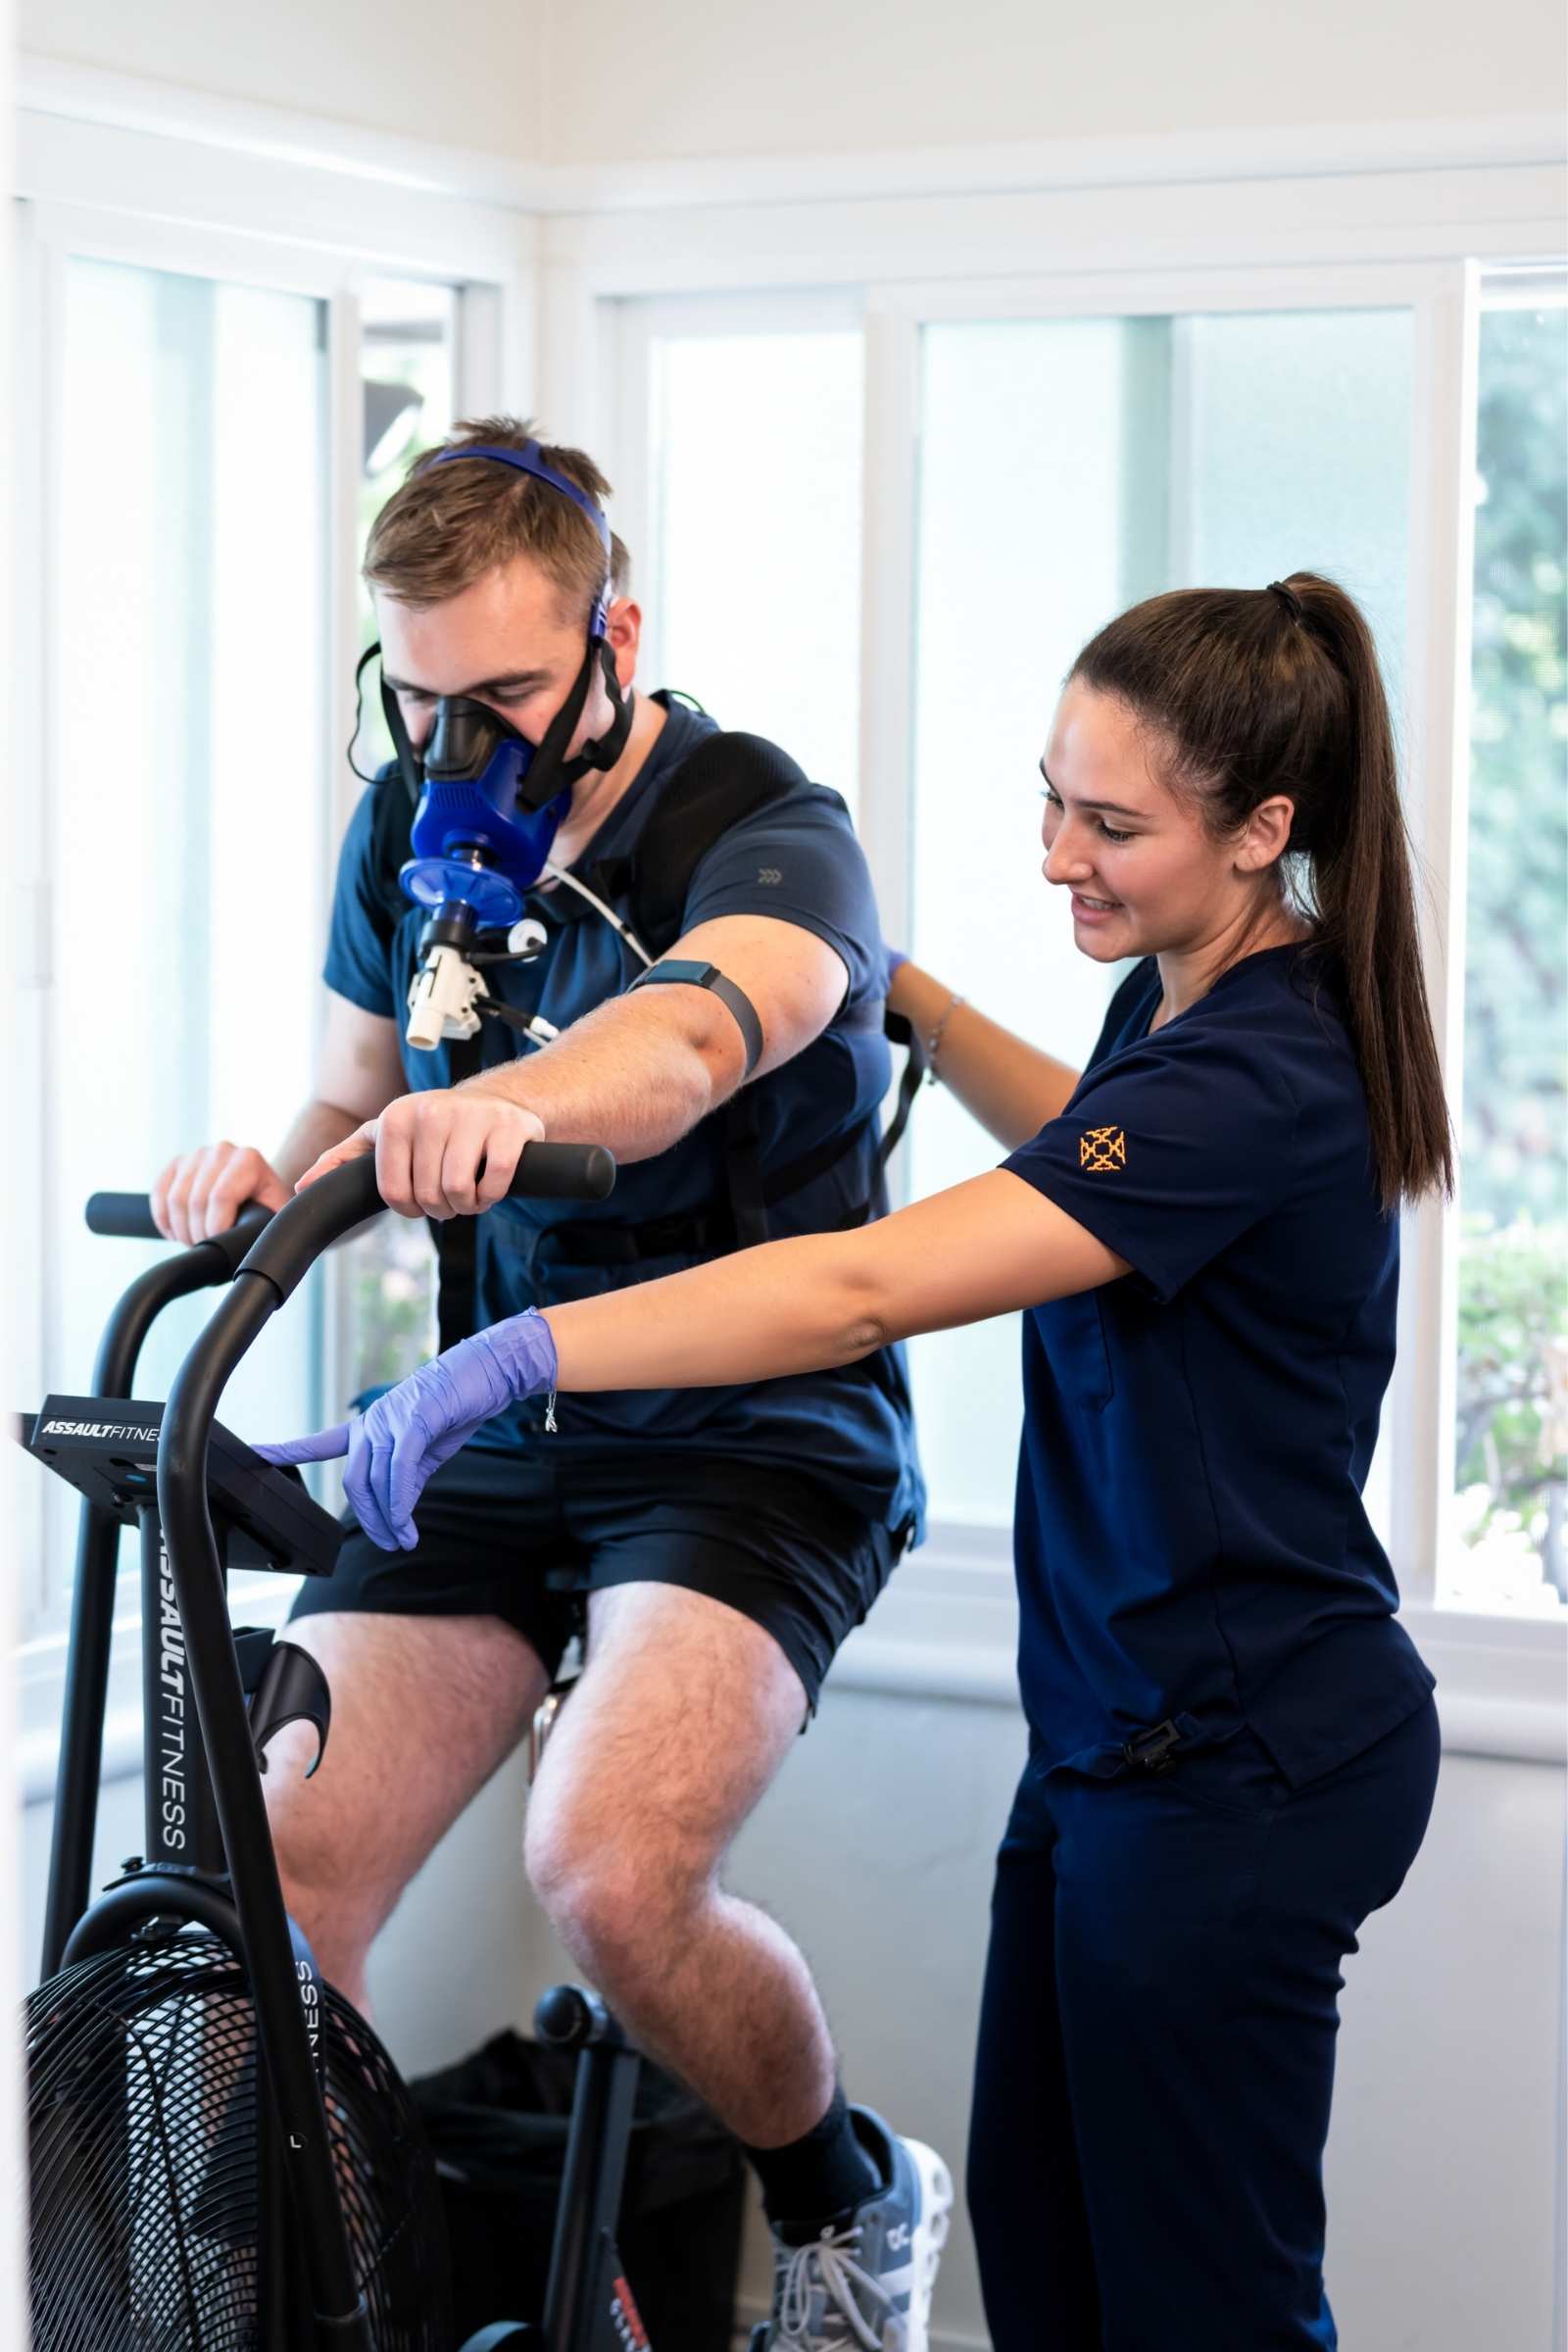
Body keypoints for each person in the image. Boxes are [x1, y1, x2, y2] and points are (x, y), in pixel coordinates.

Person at [270, 571, 1451, 2351]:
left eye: (1111, 823)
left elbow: (858, 1287)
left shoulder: (1263, 1076)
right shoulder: (1193, 994)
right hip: (1116, 1743)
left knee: (1207, 2309)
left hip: (1243, 1764)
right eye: (1048, 796)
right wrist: (901, 992)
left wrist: (520, 1353)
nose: (1060, 852)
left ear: (1267, 828)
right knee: (1053, 2290)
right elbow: (1089, 1136)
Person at [154, 418, 952, 2352]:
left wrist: (486, 1110)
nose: (462, 750)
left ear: (617, 638)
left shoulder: (763, 824)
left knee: (602, 1872)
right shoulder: (405, 831)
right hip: (504, 1426)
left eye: (504, 695)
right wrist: (278, 1178)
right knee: (278, 1890)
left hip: (755, 1431)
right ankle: (339, 2312)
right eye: (420, 701)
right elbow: (358, 1101)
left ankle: (847, 2203)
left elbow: (688, 1045)